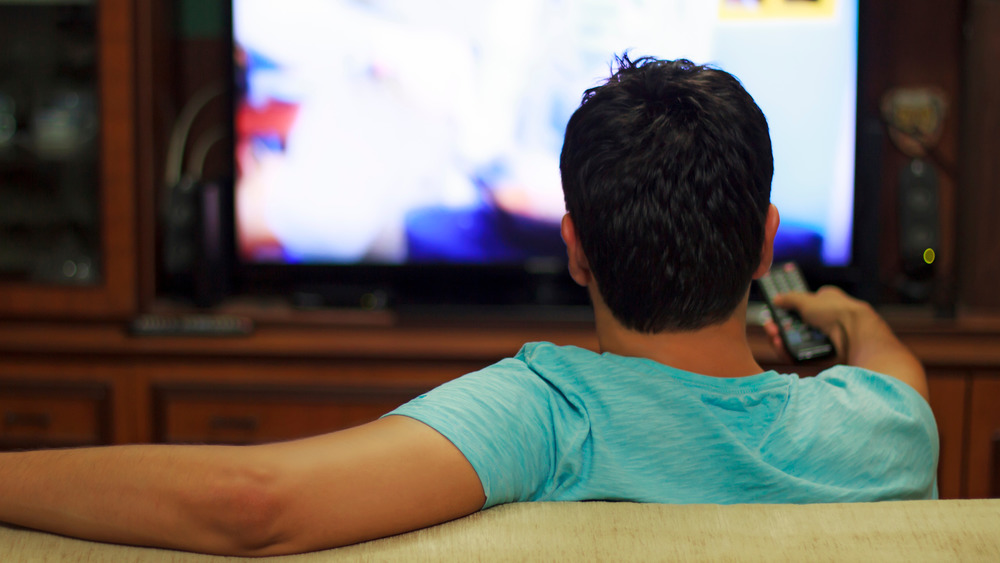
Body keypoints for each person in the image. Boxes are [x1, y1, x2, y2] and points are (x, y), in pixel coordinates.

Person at [0, 56, 936, 556]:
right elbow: (893, 357)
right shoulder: (886, 424)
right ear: (766, 237)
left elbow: (255, 503)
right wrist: (835, 313)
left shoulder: (550, 414)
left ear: (573, 247)